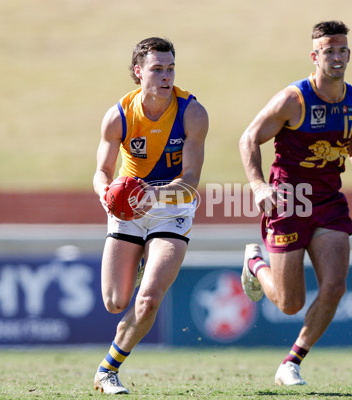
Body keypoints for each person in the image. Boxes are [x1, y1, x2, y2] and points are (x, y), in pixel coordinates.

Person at [239, 21, 352, 386]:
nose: (337, 57)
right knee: (290, 303)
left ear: (349, 54)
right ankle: (255, 262)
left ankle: (291, 363)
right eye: (329, 51)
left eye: (342, 50)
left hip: (328, 203)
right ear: (315, 56)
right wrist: (259, 186)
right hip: (289, 203)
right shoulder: (293, 100)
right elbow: (249, 138)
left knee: (335, 286)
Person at [92, 37, 208, 394]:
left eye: (170, 68)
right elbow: (101, 172)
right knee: (115, 302)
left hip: (170, 205)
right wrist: (106, 195)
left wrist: (151, 195)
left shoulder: (192, 112)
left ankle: (108, 370)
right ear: (138, 72)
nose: (166, 76)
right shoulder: (119, 115)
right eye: (157, 69)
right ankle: (141, 255)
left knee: (149, 298)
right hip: (129, 206)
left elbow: (190, 182)